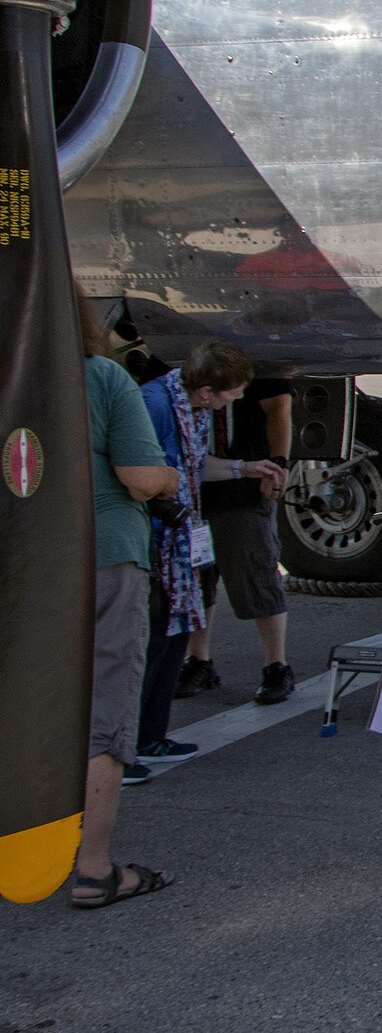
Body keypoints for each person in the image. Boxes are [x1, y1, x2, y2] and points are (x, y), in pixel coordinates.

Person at [70, 286, 180, 906]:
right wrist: (167, 476)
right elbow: (139, 478)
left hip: (24, 566)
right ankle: (93, 867)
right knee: (104, 706)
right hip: (104, 558)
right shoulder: (102, 378)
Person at [134, 341, 282, 764]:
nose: (235, 400)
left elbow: (193, 466)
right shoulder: (155, 406)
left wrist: (245, 467)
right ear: (206, 393)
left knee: (175, 635)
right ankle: (128, 744)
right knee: (154, 642)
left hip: (178, 537)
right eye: (231, 394)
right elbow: (139, 470)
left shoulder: (189, 408)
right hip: (157, 539)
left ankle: (151, 736)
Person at [179, 372, 296, 704]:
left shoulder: (247, 361)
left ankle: (277, 664)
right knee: (196, 580)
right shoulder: (176, 359)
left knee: (256, 572)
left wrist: (278, 464)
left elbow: (279, 406)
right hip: (194, 491)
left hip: (246, 485)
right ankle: (198, 660)